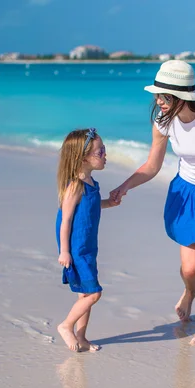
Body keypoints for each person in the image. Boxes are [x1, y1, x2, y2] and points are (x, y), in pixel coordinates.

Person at [109, 60, 195, 345]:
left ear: (181, 96)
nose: (158, 101)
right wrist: (124, 186)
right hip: (186, 194)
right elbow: (152, 165)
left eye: (164, 96)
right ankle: (189, 292)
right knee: (189, 270)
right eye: (157, 95)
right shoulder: (163, 120)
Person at [56, 128, 118, 352]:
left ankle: (81, 337)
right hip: (76, 247)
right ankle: (66, 326)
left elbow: (90, 208)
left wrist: (107, 204)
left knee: (85, 292)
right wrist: (64, 251)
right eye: (100, 151)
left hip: (89, 245)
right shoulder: (75, 186)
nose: (105, 155)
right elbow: (65, 220)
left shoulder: (91, 183)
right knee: (94, 293)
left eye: (104, 150)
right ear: (83, 158)